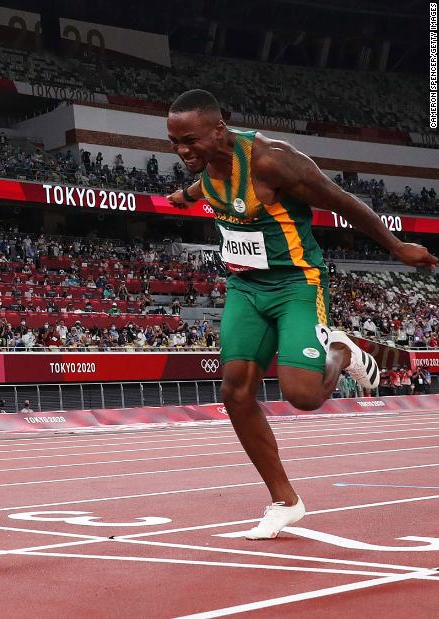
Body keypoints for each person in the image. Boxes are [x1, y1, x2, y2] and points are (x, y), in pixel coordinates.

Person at [165, 89, 437, 539]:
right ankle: (284, 501)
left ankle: (341, 351)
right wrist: (184, 195)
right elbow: (209, 183)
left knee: (304, 396)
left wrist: (396, 246)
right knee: (234, 392)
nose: (181, 150)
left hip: (296, 283)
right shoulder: (205, 162)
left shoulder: (273, 161)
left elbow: (342, 201)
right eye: (173, 141)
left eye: (189, 140)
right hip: (245, 287)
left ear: (220, 129)